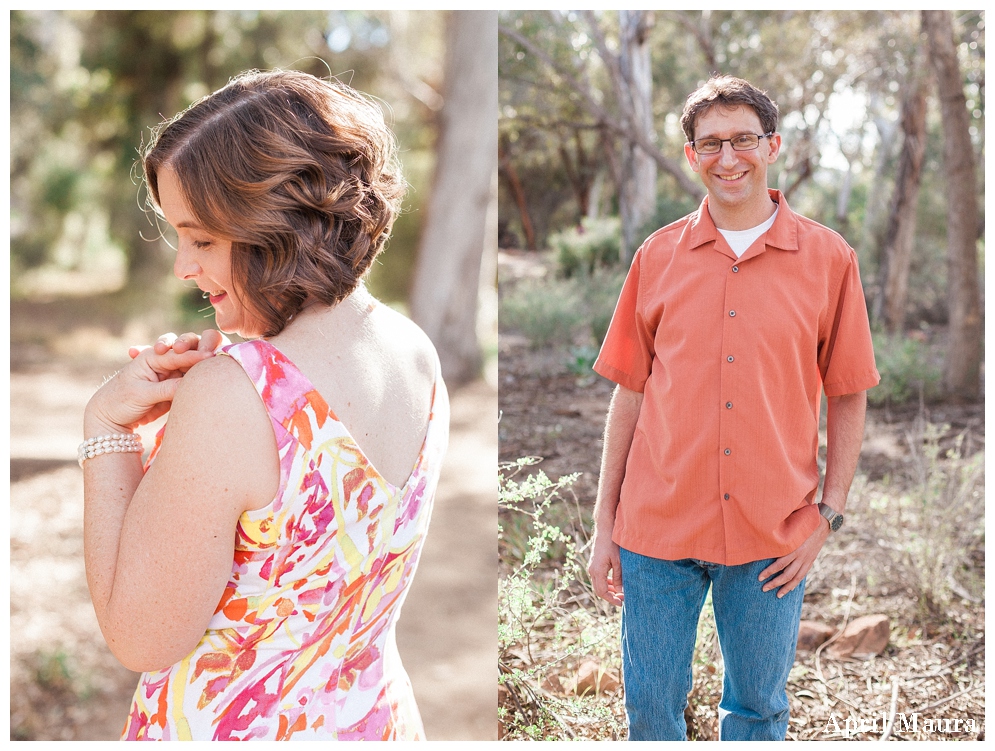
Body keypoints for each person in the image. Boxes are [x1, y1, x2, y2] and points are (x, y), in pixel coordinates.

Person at [81, 69, 449, 741]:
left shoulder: (234, 391)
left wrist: (107, 429)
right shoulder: (414, 351)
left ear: (276, 225)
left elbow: (140, 636)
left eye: (202, 239)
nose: (182, 267)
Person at [587, 76, 880, 741]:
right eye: (710, 143)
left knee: (757, 712)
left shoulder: (828, 259)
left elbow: (848, 392)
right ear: (691, 155)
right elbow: (628, 391)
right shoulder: (656, 256)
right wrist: (603, 523)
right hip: (655, 531)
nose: (728, 158)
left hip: (771, 534)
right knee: (650, 713)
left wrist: (825, 516)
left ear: (771, 146)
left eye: (742, 139)